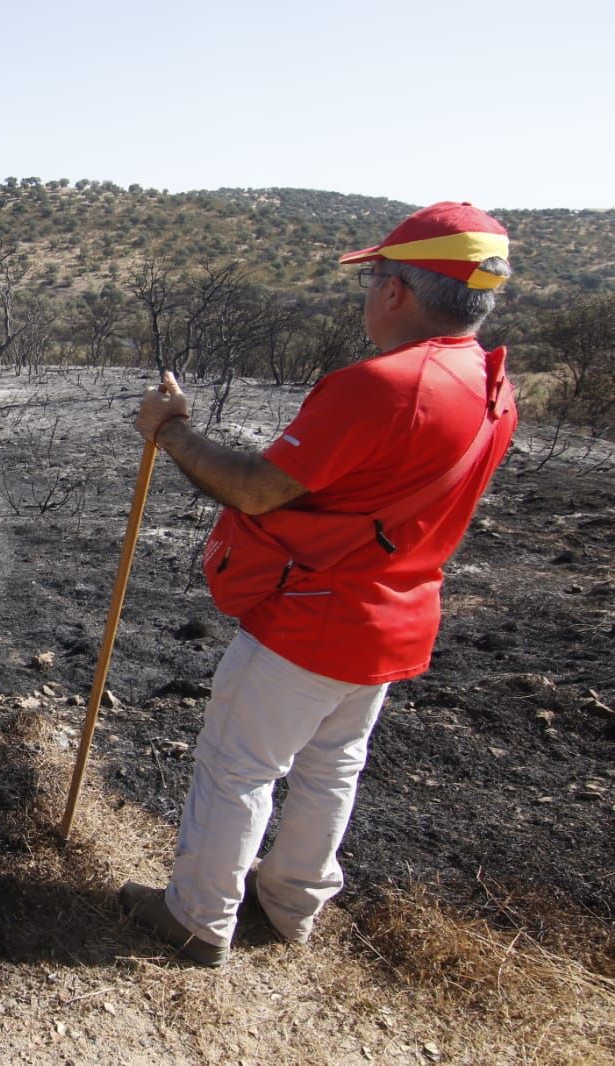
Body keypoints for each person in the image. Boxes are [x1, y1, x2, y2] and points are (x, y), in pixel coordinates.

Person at [120, 201, 520, 967]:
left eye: (374, 279)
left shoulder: (384, 385)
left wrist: (171, 430)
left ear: (398, 292)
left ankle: (198, 920)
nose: (369, 294)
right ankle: (290, 903)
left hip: (313, 616)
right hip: (395, 620)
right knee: (333, 764)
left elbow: (259, 489)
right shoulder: (492, 383)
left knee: (238, 765)